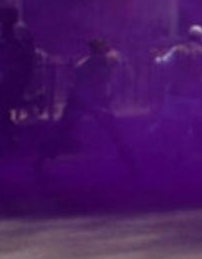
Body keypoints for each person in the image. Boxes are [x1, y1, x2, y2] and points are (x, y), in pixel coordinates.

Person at [38, 38, 134, 172]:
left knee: (111, 129)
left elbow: (115, 77)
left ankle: (128, 157)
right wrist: (99, 104)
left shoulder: (102, 63)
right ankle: (44, 157)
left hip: (90, 100)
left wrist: (107, 98)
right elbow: (81, 89)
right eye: (102, 50)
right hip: (80, 100)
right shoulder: (86, 66)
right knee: (64, 129)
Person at [150, 25, 202, 152]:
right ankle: (187, 151)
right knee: (189, 125)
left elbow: (162, 63)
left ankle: (164, 146)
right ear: (201, 38)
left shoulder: (176, 49)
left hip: (175, 93)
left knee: (169, 121)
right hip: (195, 94)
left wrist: (155, 57)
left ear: (188, 36)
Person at [0, 5, 37, 143]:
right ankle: (9, 133)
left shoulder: (16, 29)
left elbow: (19, 49)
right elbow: (7, 46)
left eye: (0, 15)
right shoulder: (10, 29)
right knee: (5, 103)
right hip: (14, 74)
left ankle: (9, 133)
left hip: (15, 75)